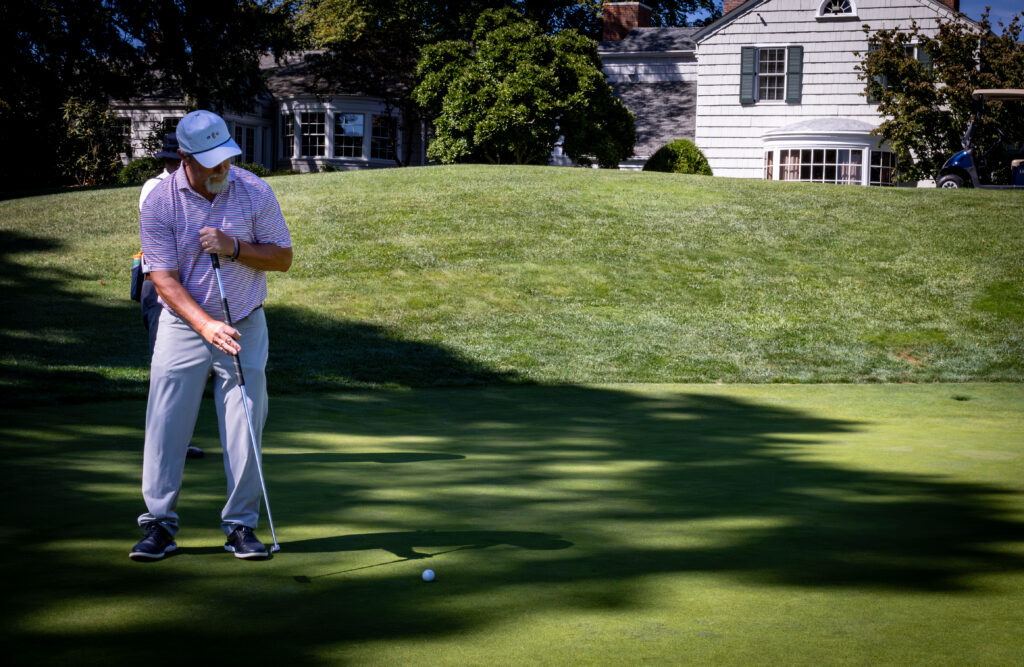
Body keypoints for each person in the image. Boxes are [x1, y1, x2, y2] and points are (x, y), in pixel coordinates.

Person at [130, 110, 293, 561]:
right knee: (166, 424)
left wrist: (234, 246)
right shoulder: (161, 202)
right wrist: (205, 325)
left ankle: (240, 526)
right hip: (183, 325)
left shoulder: (254, 189)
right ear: (185, 157)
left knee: (245, 426)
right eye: (210, 162)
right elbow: (162, 278)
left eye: (225, 158)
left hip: (244, 321)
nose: (222, 168)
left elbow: (282, 258)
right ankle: (159, 524)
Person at [138, 133, 204, 459]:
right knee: (166, 369)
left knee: (182, 372)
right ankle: (163, 443)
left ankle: (177, 440)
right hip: (160, 284)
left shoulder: (193, 189)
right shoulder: (156, 189)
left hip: (185, 282)